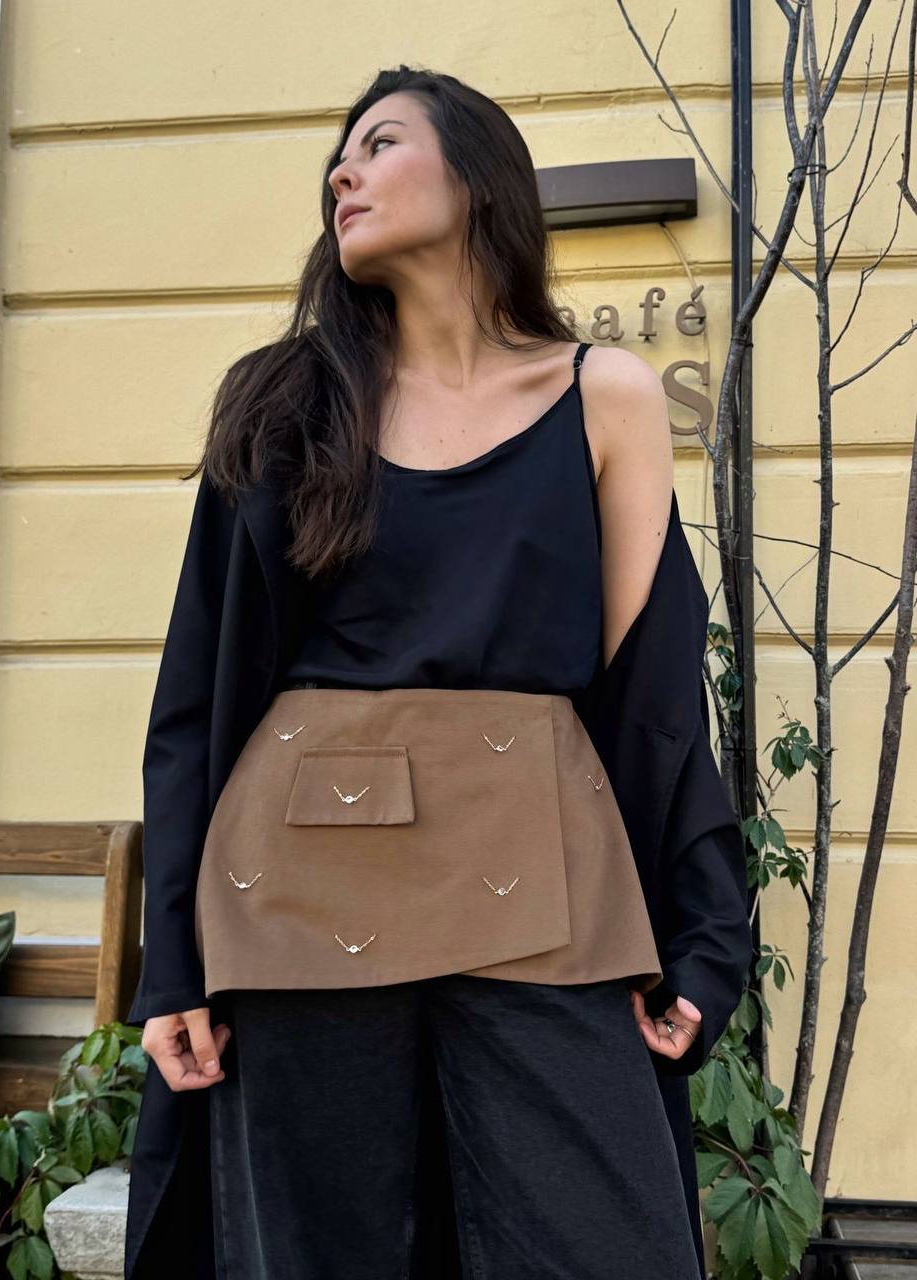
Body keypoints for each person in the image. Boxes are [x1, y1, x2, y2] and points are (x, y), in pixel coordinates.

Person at [124, 64, 752, 1280]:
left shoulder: (604, 396)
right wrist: (175, 962)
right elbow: (196, 696)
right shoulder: (283, 403)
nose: (343, 172)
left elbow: (656, 695)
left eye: (380, 143)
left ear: (474, 180)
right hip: (291, 903)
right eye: (338, 157)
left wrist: (703, 929)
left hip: (544, 888)